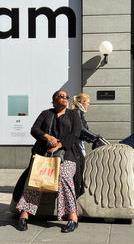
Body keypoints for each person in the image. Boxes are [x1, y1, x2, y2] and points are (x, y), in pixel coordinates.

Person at [16, 90, 83, 233]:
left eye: (67, 97)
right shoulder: (46, 113)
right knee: (35, 177)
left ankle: (72, 217)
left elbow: (76, 133)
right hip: (44, 155)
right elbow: (34, 130)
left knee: (64, 176)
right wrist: (47, 137)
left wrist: (59, 145)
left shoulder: (73, 115)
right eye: (61, 96)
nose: (65, 98)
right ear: (54, 100)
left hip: (67, 155)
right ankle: (24, 215)